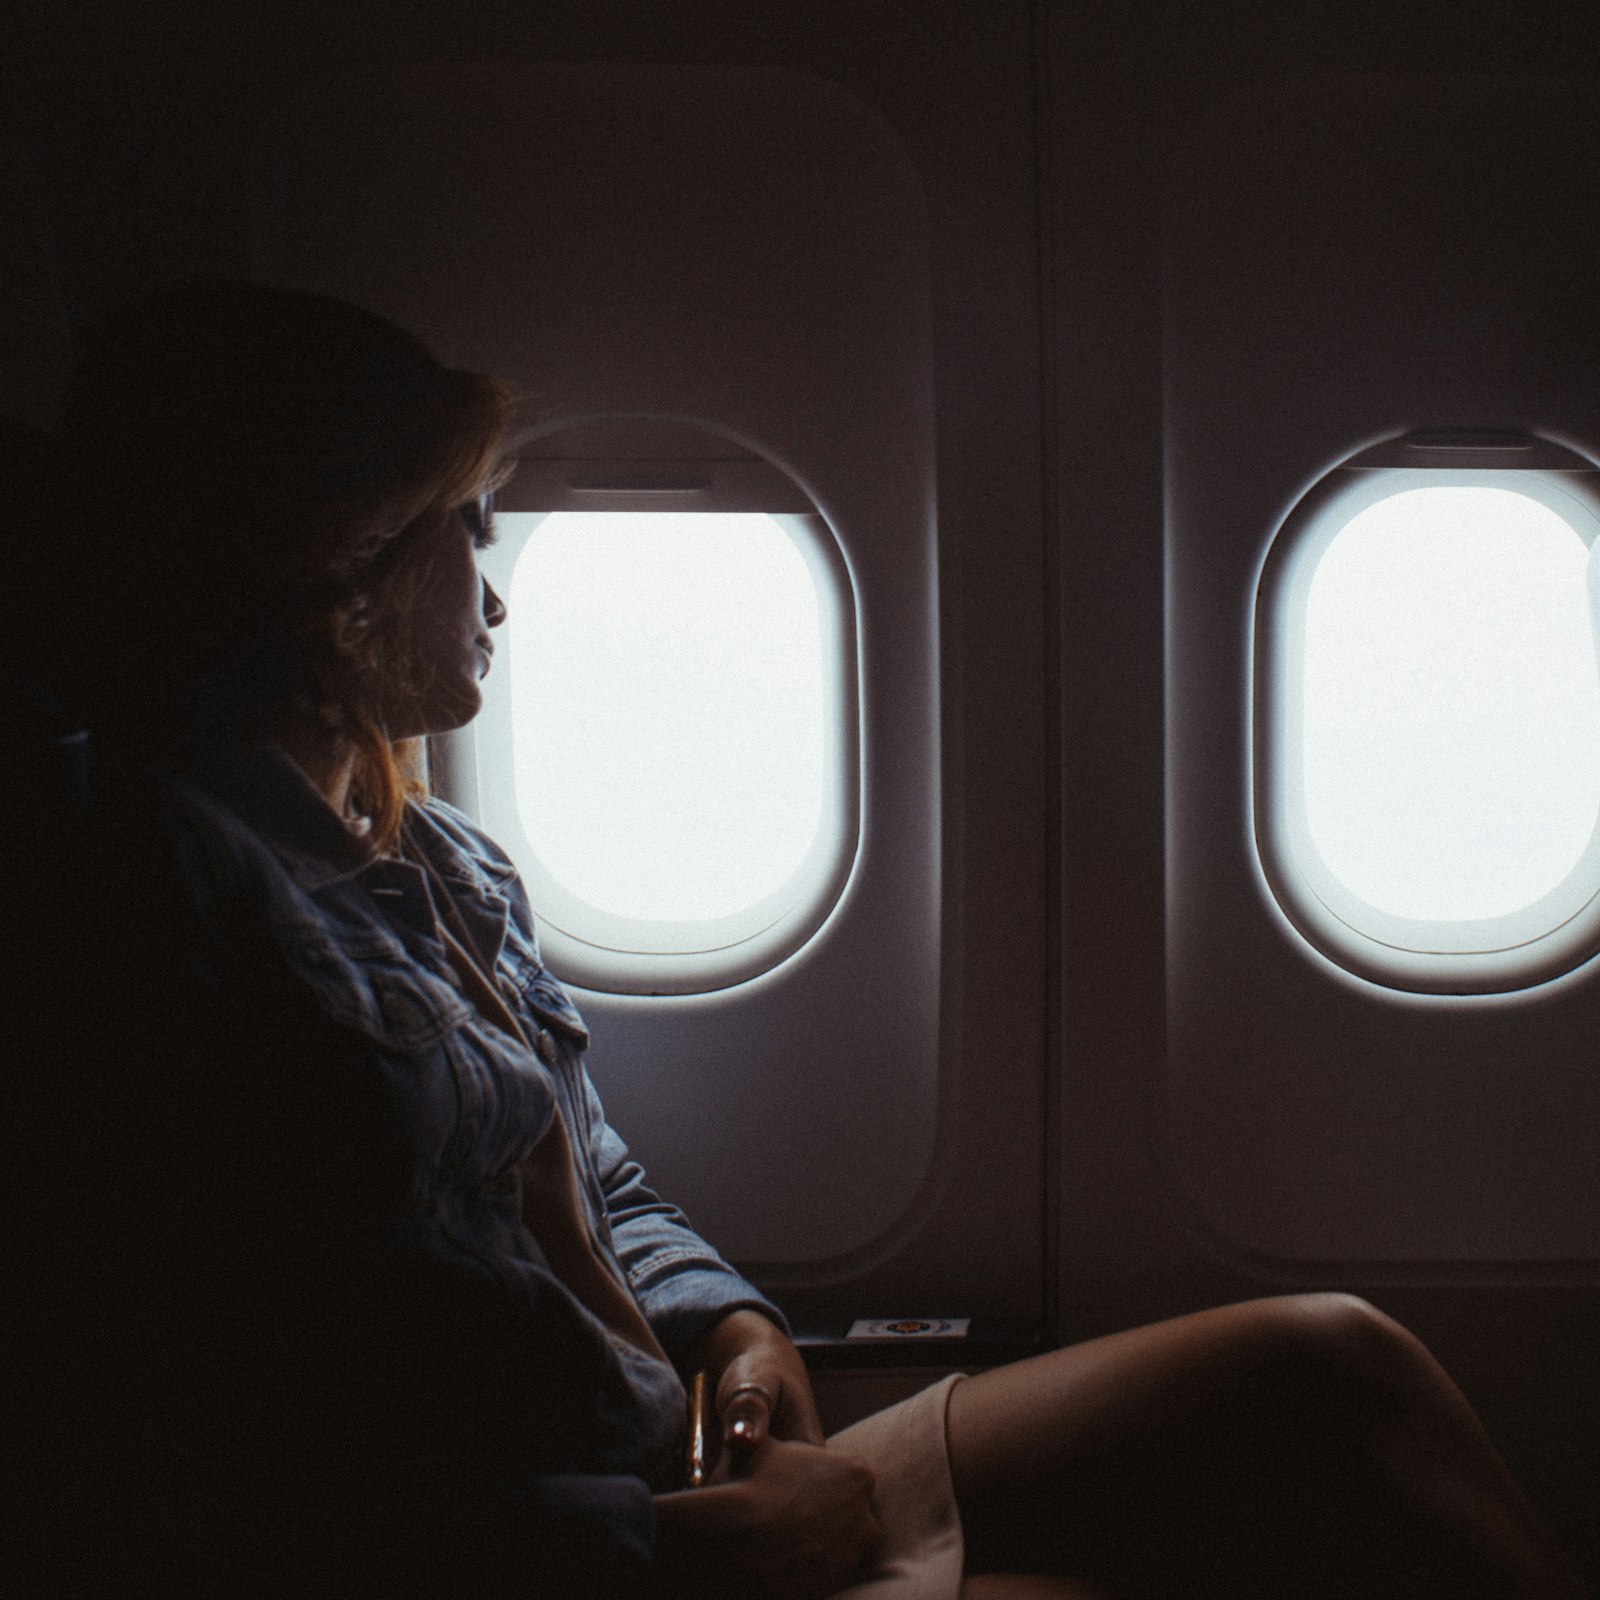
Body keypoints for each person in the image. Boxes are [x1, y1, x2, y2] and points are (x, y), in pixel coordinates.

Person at [20, 279, 1587, 1600]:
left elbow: (592, 1180)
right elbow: (229, 1478)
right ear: (336, 579)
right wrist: (675, 1548)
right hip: (601, 1547)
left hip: (667, 1468)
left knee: (1331, 1370)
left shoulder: (437, 862)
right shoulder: (160, 927)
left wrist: (738, 1324)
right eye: (462, 531)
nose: (494, 591)